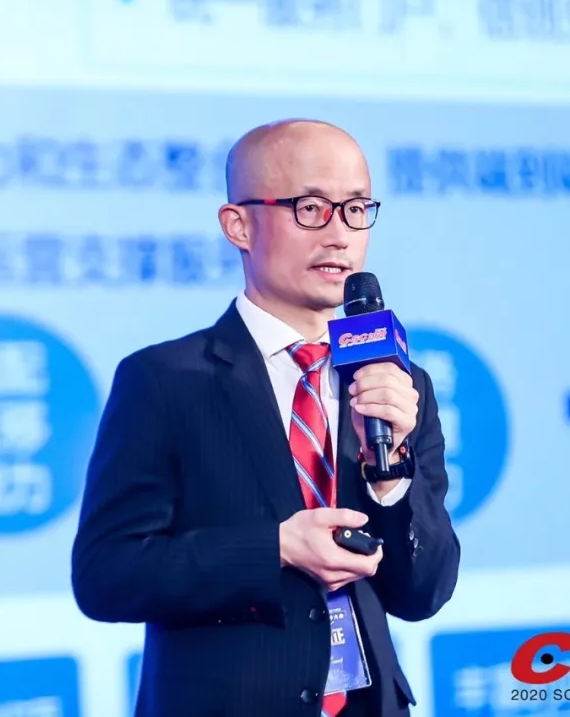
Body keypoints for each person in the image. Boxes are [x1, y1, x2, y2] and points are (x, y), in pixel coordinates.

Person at [71, 119, 460, 716]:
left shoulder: (396, 384)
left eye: (356, 209)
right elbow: (106, 575)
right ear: (239, 225)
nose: (339, 235)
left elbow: (423, 592)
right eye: (311, 208)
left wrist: (389, 476)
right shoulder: (166, 379)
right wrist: (274, 548)